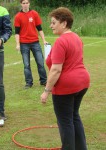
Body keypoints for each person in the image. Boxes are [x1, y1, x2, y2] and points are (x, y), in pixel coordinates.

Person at [40, 7, 90, 150]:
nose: (51, 26)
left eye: (54, 22)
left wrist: (46, 91)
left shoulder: (61, 41)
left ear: (64, 23)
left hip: (67, 87)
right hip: (82, 83)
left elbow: (56, 69)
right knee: (74, 116)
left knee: (65, 121)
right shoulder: (76, 37)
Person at [14, 0, 47, 89]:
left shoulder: (35, 14)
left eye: (27, 3)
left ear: (29, 3)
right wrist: (18, 44)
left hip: (35, 42)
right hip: (24, 44)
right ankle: (29, 83)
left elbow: (39, 28)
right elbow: (17, 33)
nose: (25, 5)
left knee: (40, 62)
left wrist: (44, 40)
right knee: (26, 64)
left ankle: (44, 81)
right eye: (23, 3)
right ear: (21, 4)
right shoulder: (18, 16)